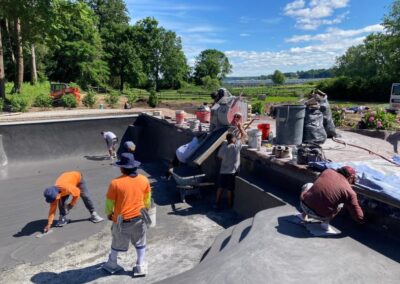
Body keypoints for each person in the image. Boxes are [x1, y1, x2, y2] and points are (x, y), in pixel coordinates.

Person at [103, 153, 151, 277]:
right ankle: (140, 265)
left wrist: (109, 214)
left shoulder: (115, 183)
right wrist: (146, 210)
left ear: (122, 168)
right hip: (140, 217)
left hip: (121, 220)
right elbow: (147, 199)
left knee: (116, 242)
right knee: (140, 242)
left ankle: (112, 263)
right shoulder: (144, 179)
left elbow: (109, 202)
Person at [298, 166, 364, 232]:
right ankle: (325, 224)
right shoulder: (349, 191)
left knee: (309, 185)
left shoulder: (328, 171)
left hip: (303, 205)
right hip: (320, 215)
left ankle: (303, 215)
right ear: (351, 177)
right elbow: (356, 211)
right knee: (340, 203)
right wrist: (361, 221)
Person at [214, 123, 247, 209]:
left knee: (220, 187)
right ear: (233, 139)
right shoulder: (236, 147)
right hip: (232, 172)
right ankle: (230, 205)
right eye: (235, 138)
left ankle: (216, 203)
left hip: (223, 171)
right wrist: (240, 128)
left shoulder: (224, 146)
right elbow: (244, 135)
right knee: (230, 189)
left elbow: (219, 156)